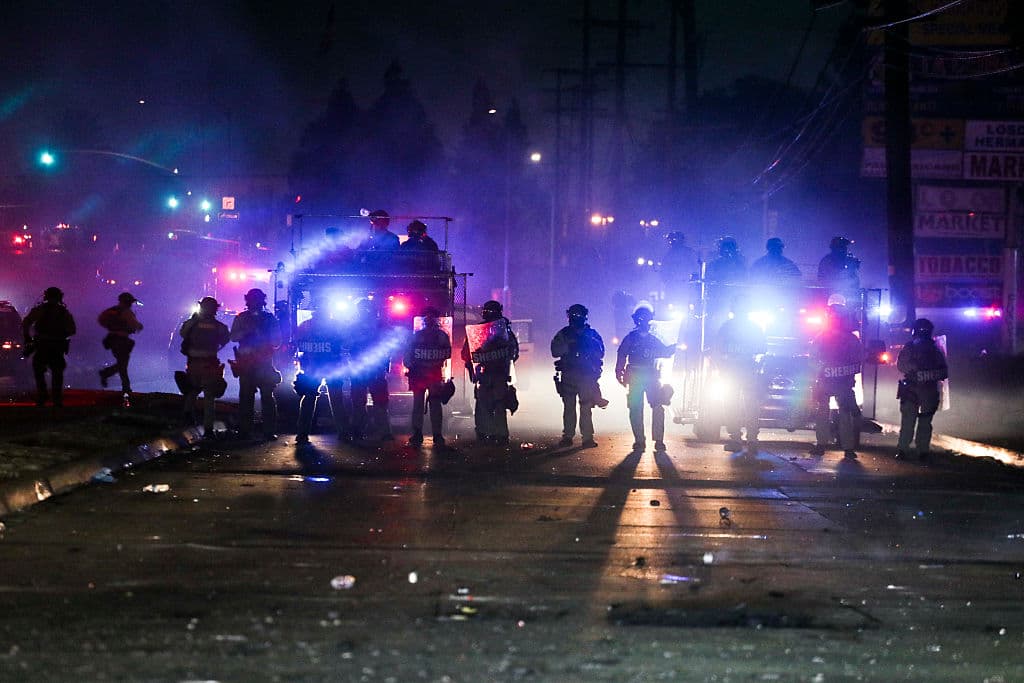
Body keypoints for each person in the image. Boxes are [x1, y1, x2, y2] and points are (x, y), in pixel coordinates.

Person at [615, 303, 676, 453]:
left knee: (655, 407)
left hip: (649, 377)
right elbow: (621, 355)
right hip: (638, 377)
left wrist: (675, 347)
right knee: (637, 408)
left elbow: (665, 352)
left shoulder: (649, 339)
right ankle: (642, 440)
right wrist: (619, 371)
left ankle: (655, 440)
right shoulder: (633, 338)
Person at [808, 303, 863, 458]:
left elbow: (813, 359)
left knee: (824, 413)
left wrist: (819, 373)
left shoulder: (821, 337)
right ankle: (848, 449)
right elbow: (859, 359)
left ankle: (822, 445)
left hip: (828, 382)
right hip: (842, 383)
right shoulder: (851, 339)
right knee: (844, 414)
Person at [461, 300, 519, 444]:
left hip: (487, 374)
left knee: (485, 404)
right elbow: (514, 353)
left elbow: (466, 354)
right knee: (497, 404)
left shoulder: (481, 333)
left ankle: (486, 433)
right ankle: (499, 434)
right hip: (496, 374)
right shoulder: (504, 332)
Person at [713, 300, 767, 454]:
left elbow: (717, 350)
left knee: (732, 406)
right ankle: (751, 440)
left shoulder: (726, 328)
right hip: (745, 373)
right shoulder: (754, 328)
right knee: (750, 406)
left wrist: (721, 368)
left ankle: (737, 439)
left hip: (733, 374)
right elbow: (762, 350)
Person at [551, 303, 607, 448]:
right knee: (569, 407)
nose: (576, 318)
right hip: (569, 373)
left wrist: (587, 346)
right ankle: (568, 436)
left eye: (578, 315)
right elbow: (555, 351)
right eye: (574, 315)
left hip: (586, 374)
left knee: (585, 406)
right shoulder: (564, 334)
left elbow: (600, 352)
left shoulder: (592, 335)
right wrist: (569, 347)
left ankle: (587, 438)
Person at [293, 307, 352, 445]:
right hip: (330, 367)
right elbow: (345, 344)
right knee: (336, 399)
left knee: (310, 399)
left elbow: (298, 345)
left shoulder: (306, 325)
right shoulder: (335, 325)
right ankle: (343, 432)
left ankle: (302, 434)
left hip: (313, 368)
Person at [229, 288, 283, 440]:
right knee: (247, 397)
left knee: (265, 397)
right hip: (247, 363)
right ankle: (246, 430)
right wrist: (247, 332)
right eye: (253, 300)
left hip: (263, 363)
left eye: (256, 300)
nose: (255, 303)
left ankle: (266, 430)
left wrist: (263, 335)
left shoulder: (269, 319)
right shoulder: (242, 318)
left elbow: (277, 341)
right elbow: (233, 337)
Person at [896, 318, 948, 460]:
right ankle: (922, 451)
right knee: (925, 422)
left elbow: (901, 366)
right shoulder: (936, 349)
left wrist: (915, 370)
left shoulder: (910, 348)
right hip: (928, 392)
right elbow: (944, 372)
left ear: (914, 331)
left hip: (911, 391)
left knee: (908, 422)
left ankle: (903, 450)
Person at [179, 296, 230, 436]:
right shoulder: (219, 326)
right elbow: (226, 339)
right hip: (209, 364)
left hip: (194, 364)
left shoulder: (192, 323)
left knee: (192, 391)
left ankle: (187, 418)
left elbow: (182, 334)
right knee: (209, 397)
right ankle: (208, 429)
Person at [405, 307, 452, 447]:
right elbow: (408, 354)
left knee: (434, 404)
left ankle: (436, 434)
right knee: (419, 404)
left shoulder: (440, 336)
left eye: (431, 317)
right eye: (427, 317)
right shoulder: (420, 336)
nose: (429, 320)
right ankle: (419, 433)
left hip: (431, 373)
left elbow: (447, 353)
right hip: (421, 374)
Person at [22, 287, 76, 408]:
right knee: (57, 372)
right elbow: (72, 330)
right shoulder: (63, 312)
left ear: (46, 296)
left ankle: (43, 395)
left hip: (42, 345)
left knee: (39, 370)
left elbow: (26, 323)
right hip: (57, 346)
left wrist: (27, 337)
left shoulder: (40, 310)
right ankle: (56, 399)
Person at [349, 298, 393, 440]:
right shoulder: (379, 326)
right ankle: (379, 432)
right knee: (370, 403)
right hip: (368, 371)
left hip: (369, 371)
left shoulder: (355, 326)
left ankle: (363, 431)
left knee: (369, 403)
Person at [98, 292, 143, 395]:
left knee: (122, 364)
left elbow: (101, 320)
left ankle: (109, 375)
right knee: (123, 365)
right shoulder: (126, 312)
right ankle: (125, 388)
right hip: (122, 340)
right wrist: (139, 326)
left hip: (113, 339)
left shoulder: (112, 311)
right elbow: (136, 325)